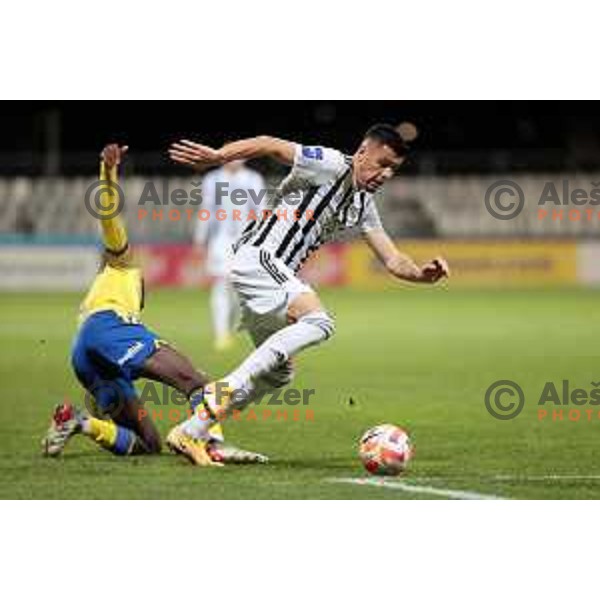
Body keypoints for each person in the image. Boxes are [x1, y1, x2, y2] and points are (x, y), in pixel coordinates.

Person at [167, 124, 449, 465]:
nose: (385, 174)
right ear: (362, 152)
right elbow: (270, 143)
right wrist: (219, 156)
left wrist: (421, 274)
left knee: (278, 375)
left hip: (271, 275)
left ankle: (192, 432)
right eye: (381, 163)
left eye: (393, 169)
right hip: (259, 258)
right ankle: (222, 389)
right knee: (319, 321)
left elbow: (392, 259)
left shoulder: (363, 204)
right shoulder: (330, 163)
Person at [42, 144, 266, 465]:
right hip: (109, 329)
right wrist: (108, 172)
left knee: (148, 443)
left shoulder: (116, 295)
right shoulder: (122, 264)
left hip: (84, 355)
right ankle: (212, 443)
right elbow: (108, 215)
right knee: (196, 381)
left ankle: (79, 421)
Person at [195, 159, 266, 351]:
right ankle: (220, 333)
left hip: (245, 240)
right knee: (221, 283)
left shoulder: (253, 178)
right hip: (221, 240)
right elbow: (207, 210)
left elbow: (260, 211)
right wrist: (200, 238)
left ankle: (228, 328)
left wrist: (263, 239)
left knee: (238, 288)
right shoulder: (213, 179)